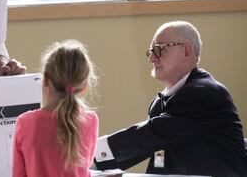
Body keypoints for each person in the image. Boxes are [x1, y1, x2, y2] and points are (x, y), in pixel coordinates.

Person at [95, 21, 247, 176]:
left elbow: (149, 135)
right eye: (151, 51)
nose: (152, 58)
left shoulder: (205, 93)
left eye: (160, 49)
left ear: (186, 51)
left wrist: (85, 152)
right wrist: (89, 165)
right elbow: (143, 146)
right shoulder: (164, 99)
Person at [13, 40, 99, 177]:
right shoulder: (91, 120)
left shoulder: (25, 122)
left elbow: (18, 174)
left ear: (46, 79)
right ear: (84, 86)